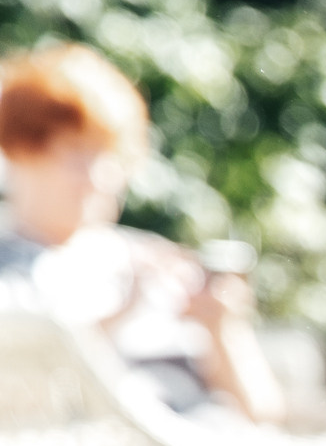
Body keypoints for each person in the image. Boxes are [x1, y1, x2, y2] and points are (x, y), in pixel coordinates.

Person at [0, 43, 282, 424]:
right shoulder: (11, 275)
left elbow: (264, 414)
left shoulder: (150, 257)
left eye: (108, 156)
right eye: (76, 153)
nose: (99, 177)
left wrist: (221, 329)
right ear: (20, 154)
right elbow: (21, 404)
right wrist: (120, 315)